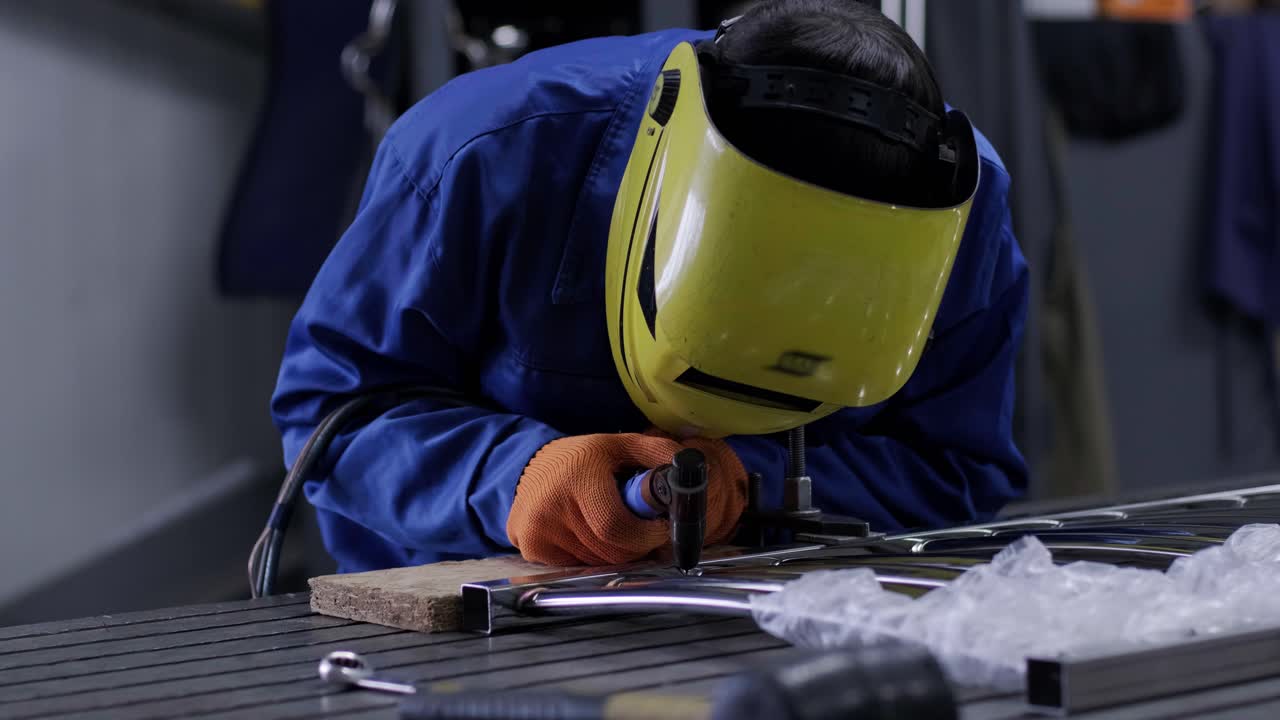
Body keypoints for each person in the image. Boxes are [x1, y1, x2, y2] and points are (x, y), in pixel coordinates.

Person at [270, 0, 1029, 573]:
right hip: (467, 624)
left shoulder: (963, 209)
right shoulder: (483, 150)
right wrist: (512, 480)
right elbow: (331, 418)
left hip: (783, 618)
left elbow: (955, 467)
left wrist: (751, 486)